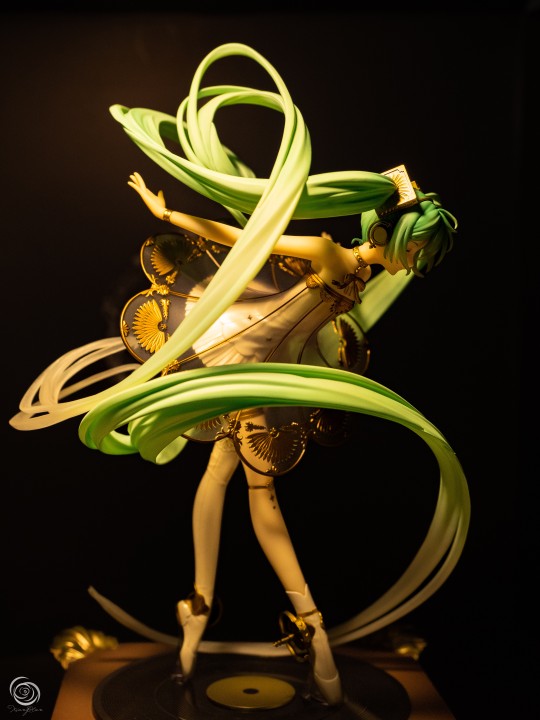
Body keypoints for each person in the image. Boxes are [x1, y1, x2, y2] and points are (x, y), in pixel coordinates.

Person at [10, 43, 469, 707]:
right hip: (237, 353)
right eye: (419, 251)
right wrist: (168, 216)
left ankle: (240, 623)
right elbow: (247, 240)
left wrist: (404, 195)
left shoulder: (359, 274)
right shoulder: (333, 256)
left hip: (261, 372)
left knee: (237, 486)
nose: (417, 265)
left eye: (424, 258)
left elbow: (268, 257)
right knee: (243, 490)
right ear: (397, 237)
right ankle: (293, 629)